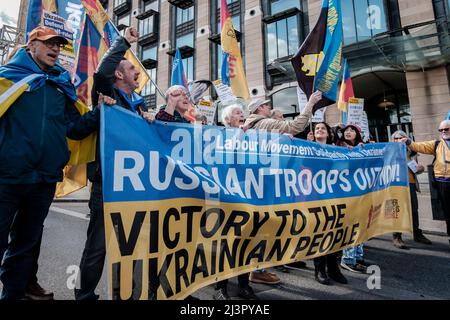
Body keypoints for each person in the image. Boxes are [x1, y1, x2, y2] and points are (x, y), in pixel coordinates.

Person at [0, 26, 99, 300]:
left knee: (25, 244)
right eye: (48, 44)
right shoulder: (8, 78)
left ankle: (13, 294)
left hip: (43, 178)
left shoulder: (59, 84)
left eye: (58, 45)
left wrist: (101, 111)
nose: (55, 49)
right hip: (7, 176)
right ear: (31, 46)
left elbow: (75, 128)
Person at [75, 26, 151, 301]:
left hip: (132, 185)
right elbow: (101, 71)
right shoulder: (109, 93)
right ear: (119, 75)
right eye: (132, 69)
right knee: (98, 247)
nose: (138, 73)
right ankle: (84, 295)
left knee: (128, 245)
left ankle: (125, 294)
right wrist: (124, 42)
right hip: (107, 185)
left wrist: (150, 124)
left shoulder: (138, 106)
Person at [400, 121, 450, 246]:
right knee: (448, 213)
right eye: (441, 130)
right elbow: (419, 146)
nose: (443, 132)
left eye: (446, 129)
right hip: (443, 182)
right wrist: (408, 141)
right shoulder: (437, 144)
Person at [312, 122, 348, 285]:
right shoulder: (307, 148)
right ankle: (319, 270)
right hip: (315, 197)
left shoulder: (336, 150)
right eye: (317, 128)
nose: (319, 130)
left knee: (335, 232)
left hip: (334, 196)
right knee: (320, 233)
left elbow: (344, 168)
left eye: (323, 128)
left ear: (328, 133)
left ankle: (334, 269)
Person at [391, 130, 432, 248]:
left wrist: (420, 168)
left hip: (411, 184)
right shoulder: (389, 153)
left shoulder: (411, 152)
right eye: (396, 138)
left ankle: (417, 234)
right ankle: (397, 236)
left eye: (401, 138)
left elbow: (417, 169)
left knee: (414, 210)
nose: (399, 140)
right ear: (392, 140)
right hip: (396, 186)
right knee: (397, 211)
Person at [337, 125, 368, 273]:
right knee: (350, 225)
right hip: (345, 193)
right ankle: (348, 259)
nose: (348, 132)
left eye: (352, 130)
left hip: (361, 192)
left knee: (361, 224)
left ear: (357, 134)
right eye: (346, 130)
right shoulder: (336, 147)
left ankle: (358, 256)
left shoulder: (364, 147)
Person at [244, 91, 322, 134]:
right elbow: (295, 126)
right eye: (266, 105)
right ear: (260, 108)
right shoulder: (266, 123)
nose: (269, 107)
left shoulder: (249, 125)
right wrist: (310, 103)